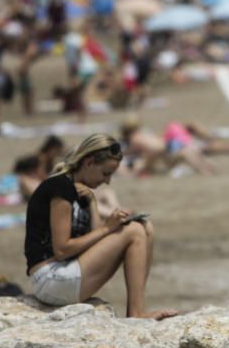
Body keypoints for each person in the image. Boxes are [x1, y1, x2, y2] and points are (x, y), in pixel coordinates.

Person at [24, 133, 176, 319]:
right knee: (135, 232)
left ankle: (136, 308)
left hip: (66, 272)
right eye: (105, 173)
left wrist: (93, 203)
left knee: (145, 227)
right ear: (88, 163)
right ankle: (136, 313)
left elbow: (92, 241)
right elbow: (62, 250)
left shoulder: (81, 191)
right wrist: (107, 229)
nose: (107, 181)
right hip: (50, 279)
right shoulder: (60, 187)